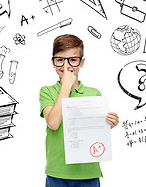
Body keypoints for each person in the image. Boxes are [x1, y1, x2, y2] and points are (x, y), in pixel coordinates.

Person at [39, 34, 119, 187]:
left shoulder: (94, 93)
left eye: (73, 60)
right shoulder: (47, 91)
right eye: (60, 60)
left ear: (81, 62)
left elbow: (96, 131)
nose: (66, 65)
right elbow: (53, 123)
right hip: (57, 172)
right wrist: (66, 87)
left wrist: (110, 123)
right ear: (53, 62)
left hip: (88, 173)